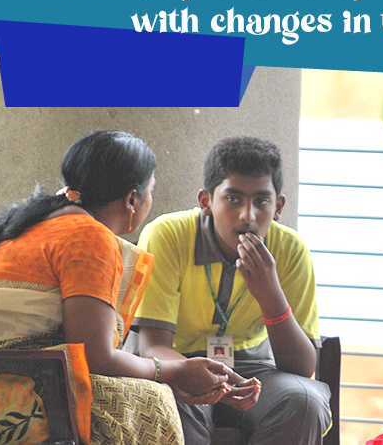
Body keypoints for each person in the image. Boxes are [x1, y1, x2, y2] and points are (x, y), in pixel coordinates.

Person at [0, 130, 256, 444]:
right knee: (153, 401)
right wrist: (173, 373)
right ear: (132, 199)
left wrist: (174, 372)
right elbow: (97, 357)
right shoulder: (89, 236)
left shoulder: (35, 223)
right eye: (150, 191)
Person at [135, 136, 332, 445]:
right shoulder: (168, 235)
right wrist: (202, 374)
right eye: (234, 199)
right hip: (180, 363)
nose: (248, 216)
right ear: (206, 201)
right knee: (168, 399)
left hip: (256, 369)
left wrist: (271, 296)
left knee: (304, 400)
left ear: (279, 206)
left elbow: (301, 367)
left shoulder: (290, 249)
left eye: (262, 201)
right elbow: (152, 346)